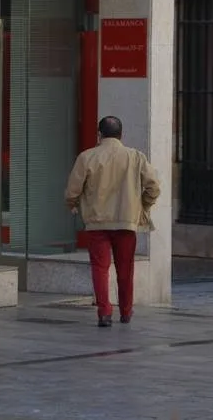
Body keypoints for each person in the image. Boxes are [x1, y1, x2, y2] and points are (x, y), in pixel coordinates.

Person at [64, 116, 161, 328]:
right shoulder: (135, 157)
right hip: (126, 223)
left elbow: (72, 191)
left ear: (99, 135)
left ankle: (104, 312)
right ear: (121, 134)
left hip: (97, 223)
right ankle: (126, 311)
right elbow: (153, 186)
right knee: (125, 269)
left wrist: (73, 205)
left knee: (100, 268)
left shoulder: (87, 157)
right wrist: (143, 205)